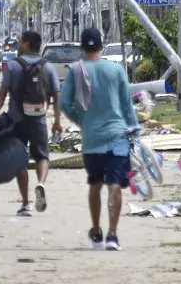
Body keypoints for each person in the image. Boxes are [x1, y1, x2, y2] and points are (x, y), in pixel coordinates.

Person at [59, 27, 138, 251]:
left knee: (95, 184)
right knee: (115, 186)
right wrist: (135, 130)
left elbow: (64, 103)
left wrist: (81, 120)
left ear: (82, 48)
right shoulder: (116, 69)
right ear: (101, 47)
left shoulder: (76, 70)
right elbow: (126, 104)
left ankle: (96, 230)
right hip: (118, 137)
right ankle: (113, 235)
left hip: (92, 139)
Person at [0, 30, 61, 216]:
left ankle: (26, 204)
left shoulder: (13, 66)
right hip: (39, 120)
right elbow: (56, 97)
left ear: (26, 43)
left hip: (16, 121)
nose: (18, 45)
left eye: (20, 41)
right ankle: (41, 184)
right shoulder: (48, 67)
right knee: (42, 156)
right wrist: (57, 122)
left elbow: (2, 95)